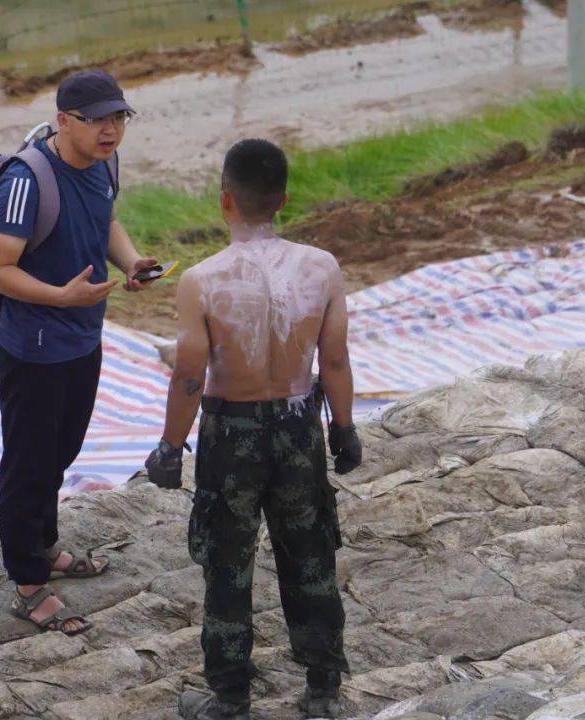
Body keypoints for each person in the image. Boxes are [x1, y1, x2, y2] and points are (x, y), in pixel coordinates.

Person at [143, 139, 362, 720]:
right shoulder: (321, 268)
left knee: (228, 564)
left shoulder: (203, 280)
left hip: (230, 433)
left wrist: (170, 447)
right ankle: (322, 689)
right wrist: (344, 430)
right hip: (297, 426)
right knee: (310, 555)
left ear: (225, 202)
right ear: (283, 200)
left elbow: (190, 377)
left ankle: (232, 696)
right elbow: (334, 362)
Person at [0, 70, 157, 635]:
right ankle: (28, 582)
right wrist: (61, 297)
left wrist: (130, 262)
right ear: (63, 121)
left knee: (63, 448)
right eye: (98, 119)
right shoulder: (26, 180)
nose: (111, 130)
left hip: (83, 336)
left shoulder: (103, 166)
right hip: (33, 347)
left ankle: (45, 545)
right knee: (29, 460)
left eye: (119, 118)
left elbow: (106, 220)